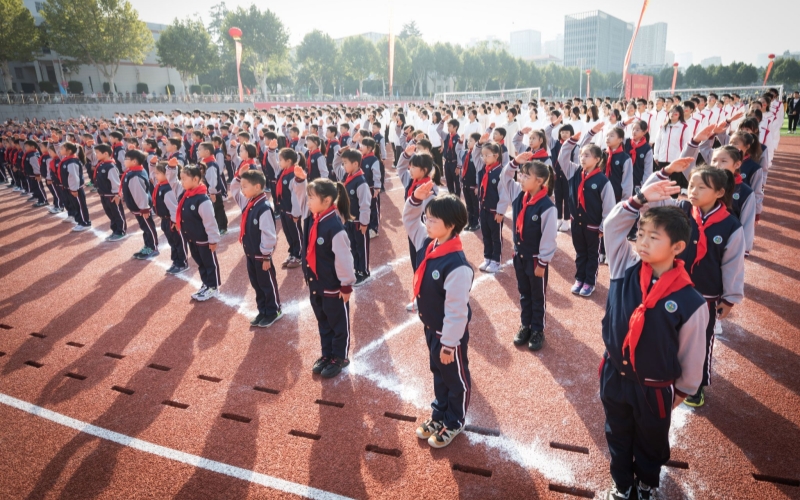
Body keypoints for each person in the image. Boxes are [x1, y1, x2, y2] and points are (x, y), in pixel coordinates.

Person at [599, 177, 708, 500]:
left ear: (678, 247)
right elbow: (612, 226)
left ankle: (646, 483)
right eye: (641, 234)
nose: (642, 242)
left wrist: (682, 390)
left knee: (651, 441)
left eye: (653, 237)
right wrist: (639, 199)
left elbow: (692, 355)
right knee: (617, 434)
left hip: (655, 387)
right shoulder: (625, 267)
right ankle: (623, 485)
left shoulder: (690, 301)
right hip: (616, 375)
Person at [643, 165, 746, 407]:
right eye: (691, 185)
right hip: (673, 289)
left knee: (699, 342)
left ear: (719, 192)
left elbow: (732, 264)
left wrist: (730, 298)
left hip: (704, 297)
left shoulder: (730, 225)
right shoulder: (681, 209)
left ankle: (695, 386)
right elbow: (648, 205)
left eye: (702, 187)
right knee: (669, 333)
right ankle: (667, 375)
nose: (693, 191)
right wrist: (658, 179)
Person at [404, 181, 473, 449]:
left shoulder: (457, 265)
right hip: (432, 327)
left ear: (451, 225)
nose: (427, 222)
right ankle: (439, 414)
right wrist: (415, 199)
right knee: (438, 373)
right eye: (427, 217)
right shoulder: (428, 244)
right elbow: (410, 220)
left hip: (448, 336)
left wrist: (449, 344)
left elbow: (456, 311)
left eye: (433, 219)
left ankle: (455, 421)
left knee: (455, 379)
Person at [292, 168, 356, 379]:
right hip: (316, 284)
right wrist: (300, 181)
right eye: (309, 197)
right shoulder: (314, 218)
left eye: (312, 198)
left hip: (333, 286)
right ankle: (327, 354)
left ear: (327, 200)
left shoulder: (334, 227)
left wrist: (346, 284)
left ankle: (340, 356)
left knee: (338, 323)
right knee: (323, 321)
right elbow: (301, 200)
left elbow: (344, 259)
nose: (308, 201)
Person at [502, 154, 558, 351]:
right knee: (524, 293)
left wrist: (543, 263)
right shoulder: (519, 195)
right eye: (521, 174)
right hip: (520, 256)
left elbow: (548, 238)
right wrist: (515, 162)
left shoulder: (547, 207)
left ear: (539, 181)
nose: (521, 178)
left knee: (537, 296)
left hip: (535, 260)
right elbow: (505, 177)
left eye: (527, 176)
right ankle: (525, 325)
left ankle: (537, 329)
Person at [558, 123, 616, 296]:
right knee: (580, 252)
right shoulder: (574, 171)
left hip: (593, 225)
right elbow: (562, 157)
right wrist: (571, 142)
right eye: (581, 155)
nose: (582, 158)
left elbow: (609, 206)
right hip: (577, 223)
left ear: (597, 159)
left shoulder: (603, 181)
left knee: (592, 255)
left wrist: (603, 226)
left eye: (587, 155)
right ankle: (579, 278)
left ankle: (589, 281)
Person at [231, 167, 282, 327]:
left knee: (267, 284)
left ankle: (274, 310)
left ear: (257, 187)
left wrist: (266, 256)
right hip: (251, 254)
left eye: (245, 186)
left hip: (261, 256)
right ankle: (263, 310)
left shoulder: (263, 207)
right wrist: (238, 177)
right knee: (257, 284)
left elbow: (269, 234)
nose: (242, 190)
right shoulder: (248, 202)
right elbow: (234, 191)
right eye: (242, 186)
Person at [168, 160, 222, 301]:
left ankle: (213, 286)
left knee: (209, 263)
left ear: (196, 179)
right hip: (192, 238)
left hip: (203, 239)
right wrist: (172, 168)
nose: (181, 181)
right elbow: (173, 183)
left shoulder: (202, 200)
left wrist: (213, 240)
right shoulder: (185, 194)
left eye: (184, 179)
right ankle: (206, 283)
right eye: (181, 178)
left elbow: (210, 222)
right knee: (200, 262)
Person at [340, 149, 372, 286]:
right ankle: (357, 269)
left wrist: (364, 223)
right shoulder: (347, 177)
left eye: (345, 163)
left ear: (355, 164)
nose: (343, 166)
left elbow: (365, 205)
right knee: (352, 246)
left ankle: (364, 272)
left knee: (361, 247)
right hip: (350, 221)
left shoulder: (361, 182)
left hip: (359, 222)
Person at [151, 162, 188, 275]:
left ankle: (182, 263)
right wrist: (152, 164)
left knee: (178, 241)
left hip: (172, 220)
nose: (155, 175)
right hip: (165, 220)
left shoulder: (168, 188)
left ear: (166, 174)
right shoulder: (160, 185)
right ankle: (175, 261)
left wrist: (175, 221)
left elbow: (173, 207)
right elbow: (151, 177)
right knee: (172, 242)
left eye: (158, 173)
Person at [121, 150, 159, 260]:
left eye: (126, 159)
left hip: (142, 208)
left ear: (134, 161)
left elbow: (140, 194)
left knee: (148, 227)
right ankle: (148, 245)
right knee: (144, 227)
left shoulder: (135, 175)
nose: (124, 161)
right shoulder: (132, 172)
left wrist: (144, 209)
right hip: (138, 207)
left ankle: (153, 247)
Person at [92, 144, 127, 242]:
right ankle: (115, 230)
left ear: (106, 153)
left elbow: (116, 182)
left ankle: (121, 231)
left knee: (117, 213)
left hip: (112, 195)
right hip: (104, 195)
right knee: (110, 214)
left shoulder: (110, 166)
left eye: (98, 153)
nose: (96, 155)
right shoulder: (101, 165)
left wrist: (117, 194)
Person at [59, 142, 92, 231]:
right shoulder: (67, 159)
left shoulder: (72, 162)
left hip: (75, 189)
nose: (60, 150)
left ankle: (85, 223)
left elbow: (73, 177)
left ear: (69, 151)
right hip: (70, 188)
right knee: (76, 206)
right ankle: (80, 222)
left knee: (80, 206)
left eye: (62, 148)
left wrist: (74, 189)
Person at [198, 141, 229, 236]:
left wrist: (212, 192)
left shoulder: (210, 164)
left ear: (207, 152)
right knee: (214, 209)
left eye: (200, 149)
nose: (198, 151)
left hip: (214, 192)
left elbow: (212, 180)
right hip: (210, 191)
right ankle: (219, 226)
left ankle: (222, 227)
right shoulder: (206, 162)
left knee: (218, 209)